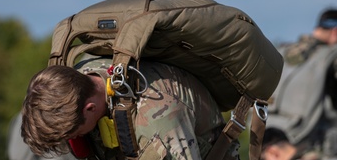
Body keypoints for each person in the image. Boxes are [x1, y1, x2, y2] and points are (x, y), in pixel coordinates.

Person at [21, 56, 240, 160]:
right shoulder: (84, 75)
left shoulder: (158, 116)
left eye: (75, 132)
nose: (76, 138)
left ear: (89, 109)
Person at [266, 8, 337, 160]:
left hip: (264, 147)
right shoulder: (331, 58)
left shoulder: (280, 51)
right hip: (307, 151)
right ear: (335, 33)